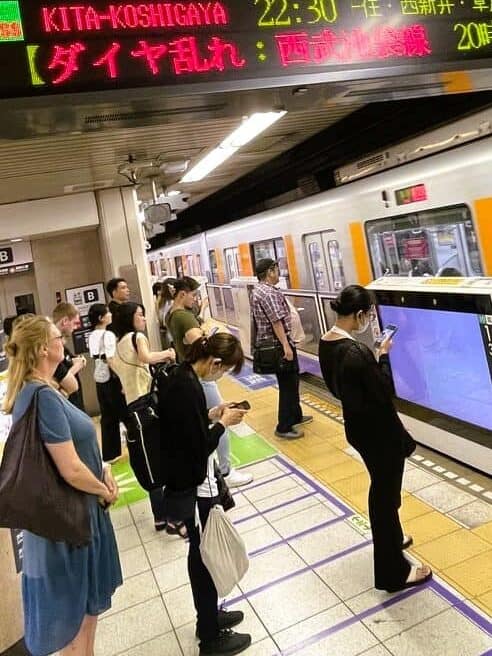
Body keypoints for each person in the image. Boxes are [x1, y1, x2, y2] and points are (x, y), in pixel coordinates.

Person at [3, 315, 122, 656]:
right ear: (43, 349)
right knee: (78, 627)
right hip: (73, 524)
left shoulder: (40, 392)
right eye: (58, 336)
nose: (63, 342)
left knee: (82, 621)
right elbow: (69, 468)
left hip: (71, 520)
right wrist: (103, 489)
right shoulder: (42, 397)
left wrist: (102, 469)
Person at [318, 285, 432, 593]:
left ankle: (393, 539)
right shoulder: (356, 352)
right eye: (368, 314)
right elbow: (384, 392)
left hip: (358, 430)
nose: (369, 319)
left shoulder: (326, 343)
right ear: (357, 315)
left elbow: (342, 389)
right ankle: (393, 573)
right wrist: (381, 356)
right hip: (379, 435)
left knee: (382, 490)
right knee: (383, 498)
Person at [159, 333, 252, 656]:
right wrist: (223, 424)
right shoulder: (187, 387)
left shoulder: (182, 376)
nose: (221, 376)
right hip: (195, 487)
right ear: (214, 363)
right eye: (223, 370)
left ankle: (209, 616)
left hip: (191, 483)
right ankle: (210, 636)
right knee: (204, 556)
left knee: (202, 554)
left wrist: (211, 416)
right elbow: (198, 448)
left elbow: (186, 430)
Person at [166, 277, 253, 488]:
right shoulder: (190, 383)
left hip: (183, 475)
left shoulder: (171, 315)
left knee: (212, 415)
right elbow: (197, 440)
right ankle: (225, 470)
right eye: (193, 295)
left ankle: (222, 468)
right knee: (221, 422)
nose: (196, 299)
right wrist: (222, 421)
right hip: (187, 482)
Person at [110, 302, 183, 535]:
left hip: (132, 409)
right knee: (164, 458)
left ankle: (159, 517)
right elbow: (146, 357)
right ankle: (174, 518)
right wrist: (168, 354)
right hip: (148, 404)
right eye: (140, 315)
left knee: (149, 463)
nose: (143, 319)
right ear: (131, 319)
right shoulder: (136, 337)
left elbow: (116, 371)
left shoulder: (116, 344)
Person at [251, 258, 312, 439]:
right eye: (277, 269)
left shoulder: (260, 290)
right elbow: (276, 322)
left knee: (292, 381)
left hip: (277, 343)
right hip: (278, 345)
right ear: (270, 272)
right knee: (288, 385)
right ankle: (284, 426)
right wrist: (286, 346)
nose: (279, 273)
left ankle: (295, 416)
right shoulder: (267, 293)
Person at [88, 303, 127, 462]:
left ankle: (110, 453)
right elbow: (111, 359)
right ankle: (136, 443)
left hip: (99, 376)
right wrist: (123, 380)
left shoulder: (91, 336)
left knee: (107, 416)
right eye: (108, 312)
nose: (110, 314)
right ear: (101, 318)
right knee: (125, 412)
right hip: (112, 377)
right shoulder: (108, 335)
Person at [52, 302, 86, 411]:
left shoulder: (62, 346)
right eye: (75, 323)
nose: (76, 327)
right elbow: (60, 380)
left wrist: (76, 361)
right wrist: (77, 366)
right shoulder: (53, 348)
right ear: (65, 321)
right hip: (67, 406)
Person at [156, 277, 177, 348]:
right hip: (174, 337)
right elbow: (166, 322)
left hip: (170, 338)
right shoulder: (171, 304)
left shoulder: (162, 302)